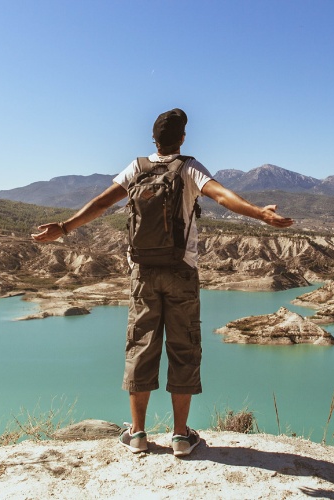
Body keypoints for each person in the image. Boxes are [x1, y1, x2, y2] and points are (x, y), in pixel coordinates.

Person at [32, 108, 293, 456]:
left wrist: (63, 228)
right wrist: (261, 213)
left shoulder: (136, 168)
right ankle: (181, 437)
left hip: (142, 273)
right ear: (182, 138)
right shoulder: (189, 167)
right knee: (183, 349)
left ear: (153, 140)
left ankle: (137, 434)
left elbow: (101, 203)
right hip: (182, 272)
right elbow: (222, 196)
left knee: (140, 346)